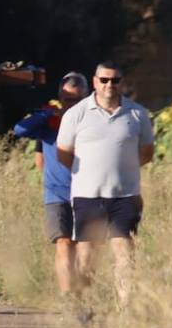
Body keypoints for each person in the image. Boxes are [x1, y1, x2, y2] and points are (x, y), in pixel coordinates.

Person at [55, 61, 154, 307]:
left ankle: (126, 310)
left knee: (124, 252)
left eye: (115, 80)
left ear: (122, 82)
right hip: (88, 195)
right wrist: (90, 172)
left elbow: (147, 152)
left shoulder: (137, 114)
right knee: (87, 256)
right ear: (95, 81)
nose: (109, 85)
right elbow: (63, 153)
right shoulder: (76, 113)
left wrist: (123, 172)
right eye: (104, 80)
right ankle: (86, 307)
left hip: (125, 195)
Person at [15, 72, 88, 298]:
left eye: (77, 100)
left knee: (85, 248)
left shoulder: (92, 121)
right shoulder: (49, 123)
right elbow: (19, 129)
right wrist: (48, 112)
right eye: (68, 99)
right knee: (64, 243)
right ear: (59, 97)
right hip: (57, 194)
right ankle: (68, 298)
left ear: (86, 97)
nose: (72, 105)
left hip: (88, 192)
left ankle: (83, 296)